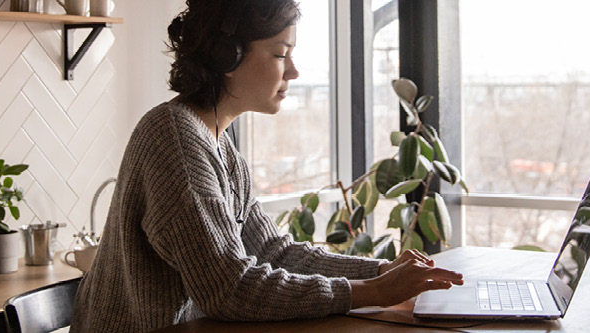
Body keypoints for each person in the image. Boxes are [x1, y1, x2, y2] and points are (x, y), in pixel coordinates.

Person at [69, 0, 464, 331]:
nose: (292, 71)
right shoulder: (174, 139)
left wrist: (380, 271)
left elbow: (274, 252)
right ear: (227, 56)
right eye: (280, 54)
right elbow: (229, 289)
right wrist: (373, 292)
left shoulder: (217, 144)